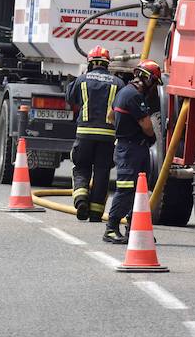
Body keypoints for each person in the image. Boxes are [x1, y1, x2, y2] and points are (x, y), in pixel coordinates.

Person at [104, 59, 162, 244]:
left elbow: (110, 117)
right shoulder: (135, 97)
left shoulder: (124, 92)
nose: (154, 88)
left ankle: (133, 228)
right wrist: (151, 137)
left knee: (138, 191)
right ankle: (111, 229)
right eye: (154, 82)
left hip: (127, 146)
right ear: (148, 79)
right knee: (127, 190)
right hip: (131, 149)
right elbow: (146, 125)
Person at [66, 46, 124, 222]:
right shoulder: (118, 83)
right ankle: (96, 212)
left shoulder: (82, 79)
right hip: (107, 136)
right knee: (102, 172)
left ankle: (81, 198)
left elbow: (70, 99)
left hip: (84, 133)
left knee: (82, 166)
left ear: (90, 63)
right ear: (107, 64)